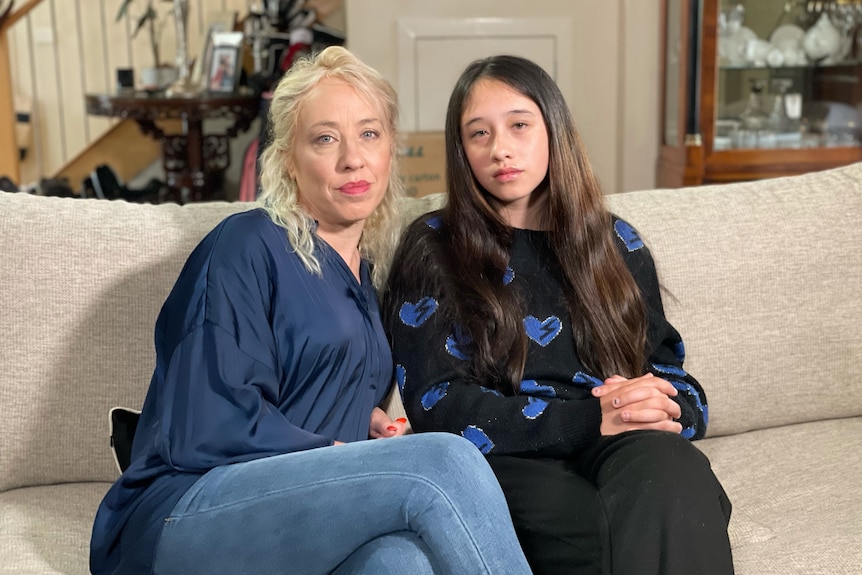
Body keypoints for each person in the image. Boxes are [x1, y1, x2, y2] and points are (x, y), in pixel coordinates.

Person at [89, 46, 532, 575]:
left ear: (391, 148)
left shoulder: (370, 276)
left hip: (300, 512)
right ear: (287, 160)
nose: (353, 158)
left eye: (370, 134)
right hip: (188, 512)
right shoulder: (246, 245)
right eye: (325, 138)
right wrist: (347, 452)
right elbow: (207, 426)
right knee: (446, 460)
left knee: (400, 563)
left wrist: (365, 431)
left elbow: (315, 393)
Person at [382, 54, 734, 575]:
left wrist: (662, 406)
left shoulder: (617, 242)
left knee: (677, 476)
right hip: (507, 460)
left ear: (553, 129)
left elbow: (677, 381)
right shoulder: (433, 246)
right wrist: (594, 417)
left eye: (519, 125)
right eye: (478, 134)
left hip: (622, 446)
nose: (500, 148)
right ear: (462, 152)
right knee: (595, 532)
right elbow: (439, 407)